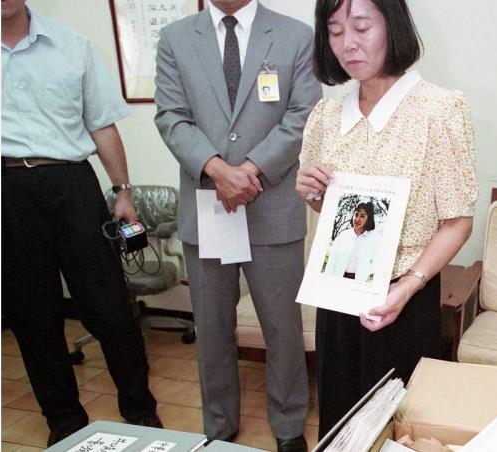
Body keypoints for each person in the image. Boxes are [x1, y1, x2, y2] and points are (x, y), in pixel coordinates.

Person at [296, 0, 478, 437]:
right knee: (340, 424)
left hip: (404, 298)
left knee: (396, 427)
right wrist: (313, 193)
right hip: (338, 293)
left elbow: (457, 221)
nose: (348, 44)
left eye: (361, 27)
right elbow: (333, 211)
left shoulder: (437, 110)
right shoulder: (326, 115)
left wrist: (408, 286)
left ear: (392, 28)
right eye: (335, 31)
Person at [153, 0, 321, 450]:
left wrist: (249, 170)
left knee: (283, 328)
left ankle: (289, 425)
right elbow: (171, 116)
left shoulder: (295, 35)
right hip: (207, 205)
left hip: (272, 205)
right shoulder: (175, 39)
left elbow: (303, 114)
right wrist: (216, 169)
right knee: (211, 328)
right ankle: (219, 425)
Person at [1, 0, 161, 446]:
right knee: (32, 315)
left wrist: (123, 192)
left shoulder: (72, 46)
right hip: (8, 190)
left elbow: (103, 125)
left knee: (110, 306)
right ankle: (64, 420)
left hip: (71, 182)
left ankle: (139, 408)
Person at [324, 201, 382, 281]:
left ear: (368, 219)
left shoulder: (375, 238)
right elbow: (332, 260)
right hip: (337, 277)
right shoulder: (343, 235)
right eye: (356, 214)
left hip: (358, 281)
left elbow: (377, 262)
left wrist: (365, 273)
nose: (357, 219)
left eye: (362, 216)